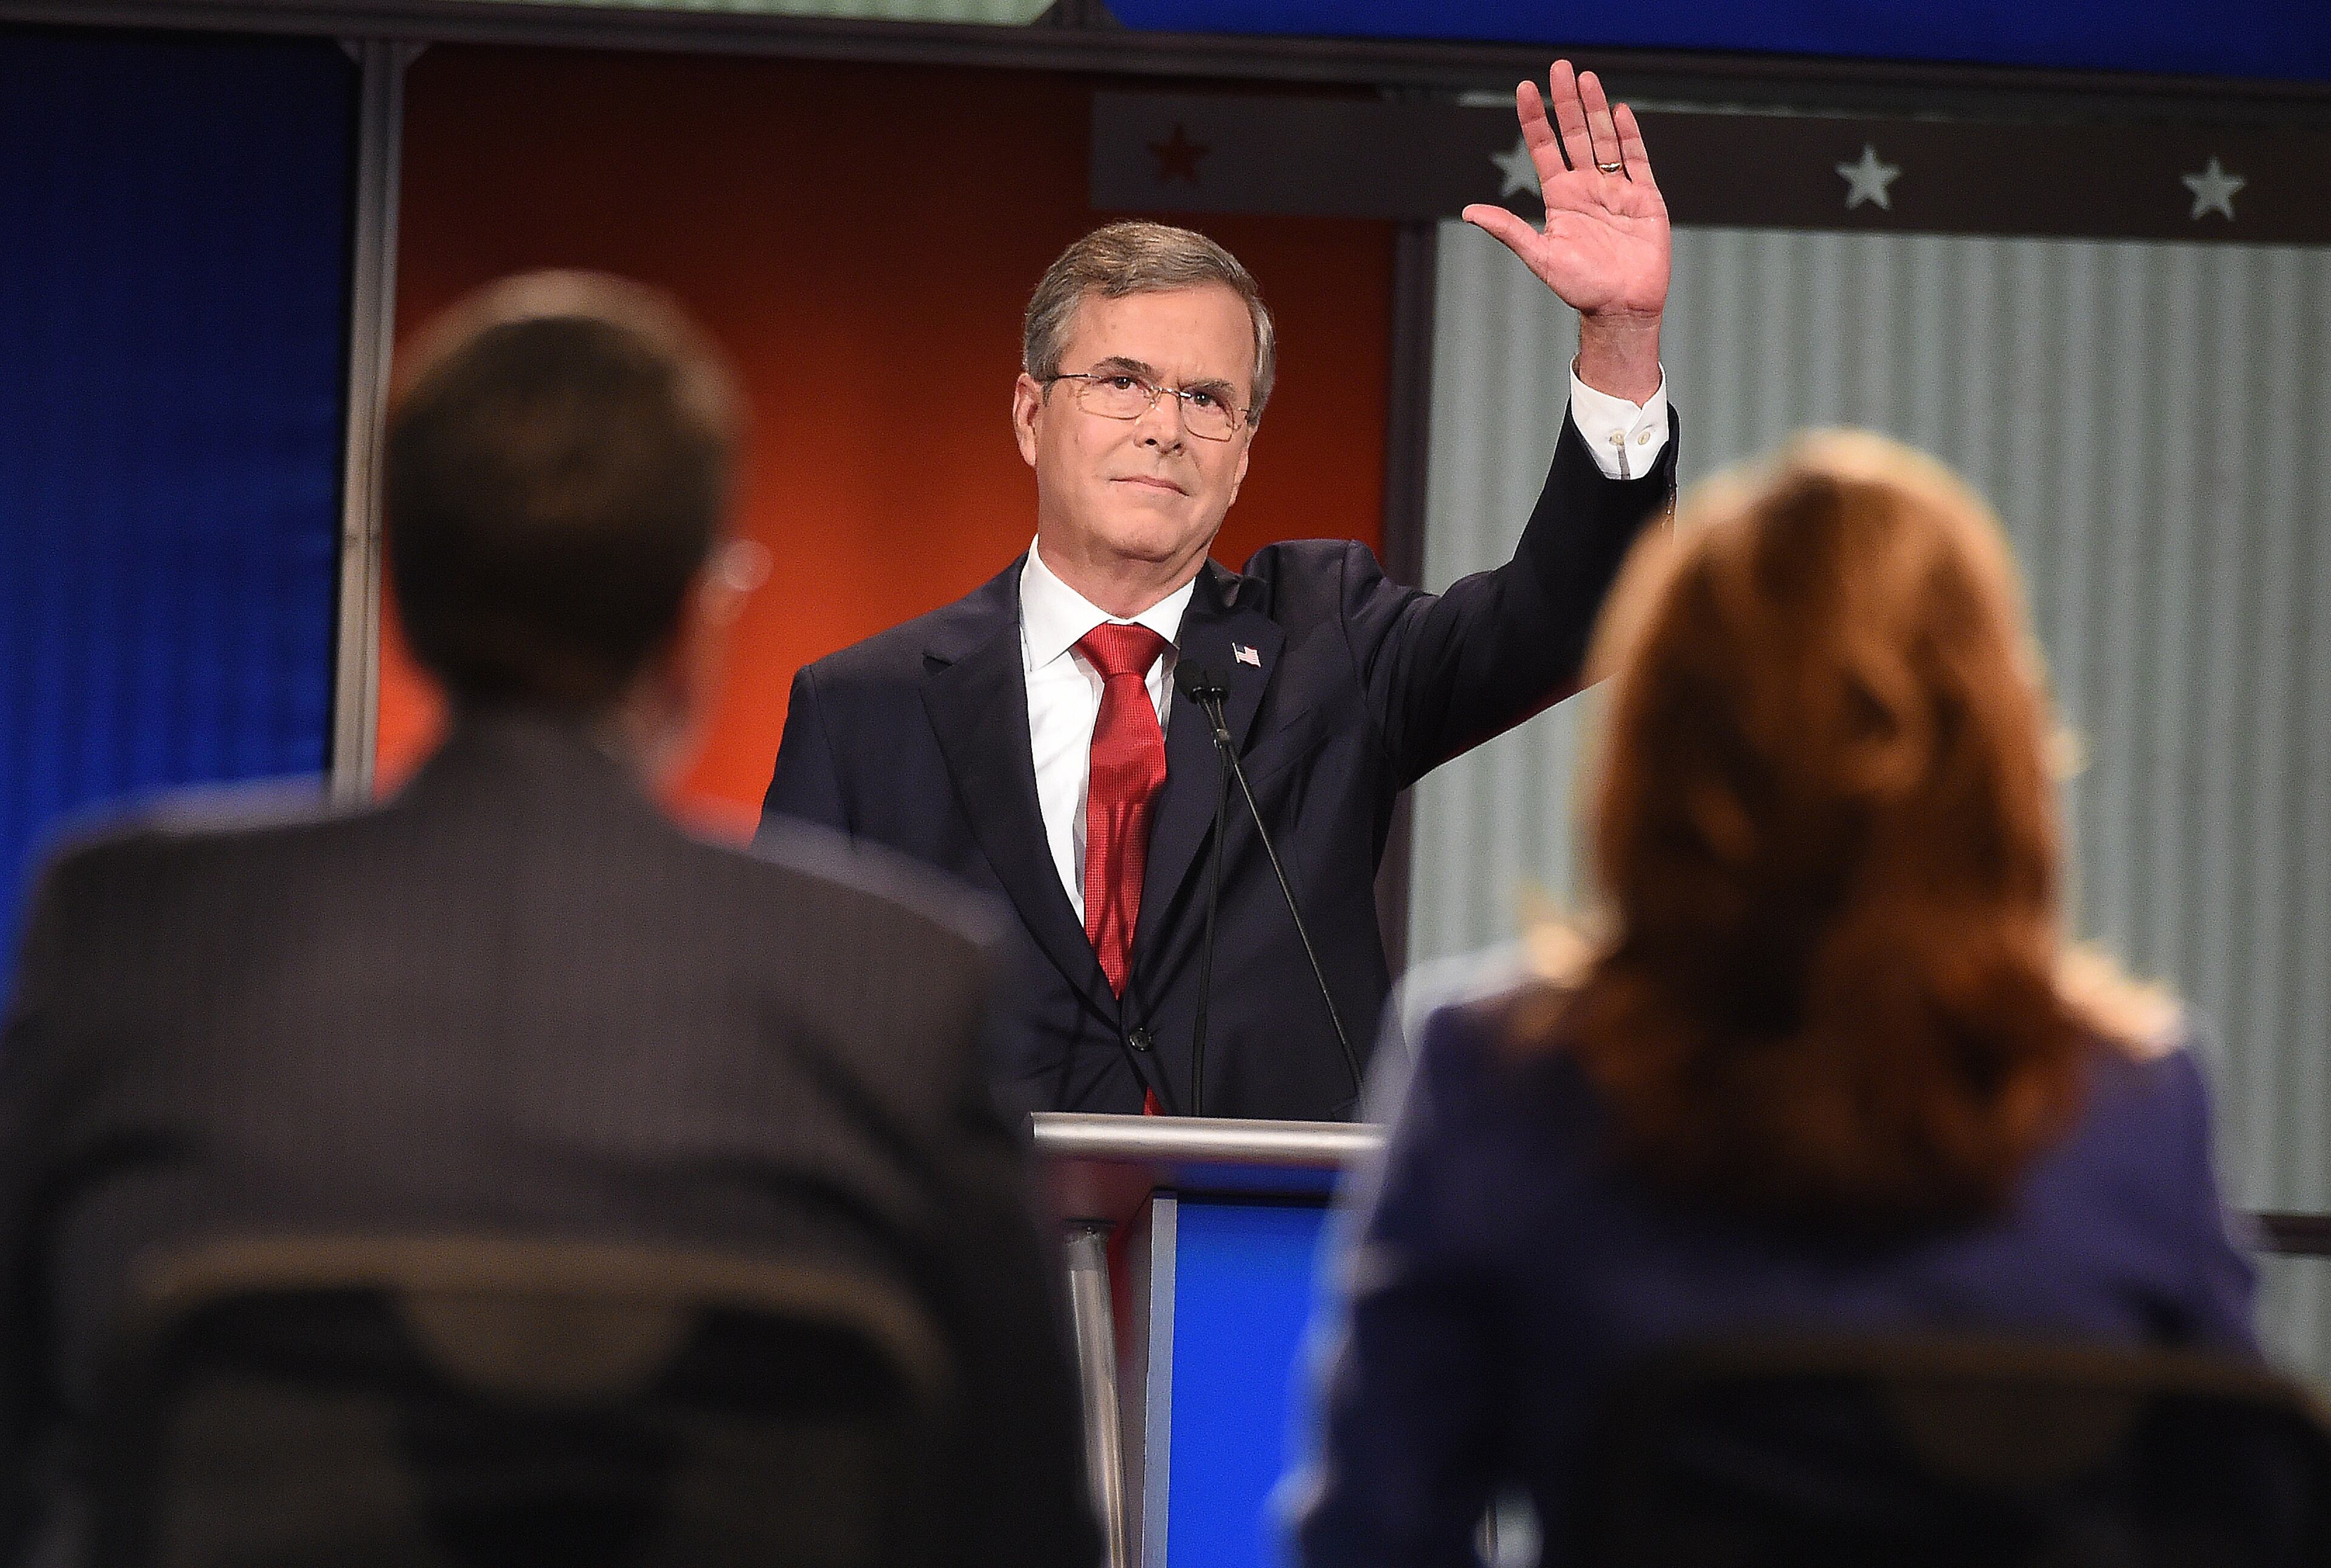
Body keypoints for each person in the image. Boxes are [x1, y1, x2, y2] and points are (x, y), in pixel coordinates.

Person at [0, 274, 1099, 1567]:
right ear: (697, 619)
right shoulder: (899, 983)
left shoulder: (133, 923)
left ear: (401, 587)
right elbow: (1026, 1527)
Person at [1284, 430, 2259, 1564]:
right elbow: (2249, 1521)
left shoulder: (1497, 1076)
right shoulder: (2138, 1105)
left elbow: (1375, 1539)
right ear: (1997, 748)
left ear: (1655, 745)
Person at [762, 62, 1679, 1122]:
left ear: (1243, 451)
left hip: (1258, 1256)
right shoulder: (864, 709)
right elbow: (775, 1021)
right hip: (972, 1257)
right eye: (1121, 382)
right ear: (1029, 413)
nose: (1166, 425)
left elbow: (1566, 619)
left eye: (1209, 398)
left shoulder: (1328, 636)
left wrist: (1619, 342)